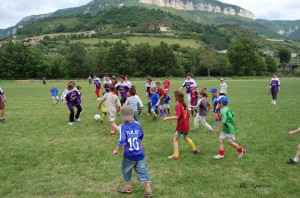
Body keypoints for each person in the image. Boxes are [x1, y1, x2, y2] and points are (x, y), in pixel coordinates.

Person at [112, 105, 154, 197]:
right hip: (140, 154)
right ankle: (148, 189)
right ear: (132, 115)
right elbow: (141, 136)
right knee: (143, 170)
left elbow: (122, 140)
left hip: (129, 155)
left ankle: (128, 187)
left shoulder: (123, 127)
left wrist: (116, 150)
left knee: (126, 169)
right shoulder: (138, 125)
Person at [163, 91, 199, 160]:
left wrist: (167, 118)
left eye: (174, 96)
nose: (174, 97)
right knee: (185, 138)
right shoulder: (184, 105)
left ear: (177, 97)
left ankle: (176, 156)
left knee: (175, 140)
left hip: (181, 125)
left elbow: (177, 116)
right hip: (186, 125)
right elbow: (188, 115)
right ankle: (194, 149)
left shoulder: (178, 105)